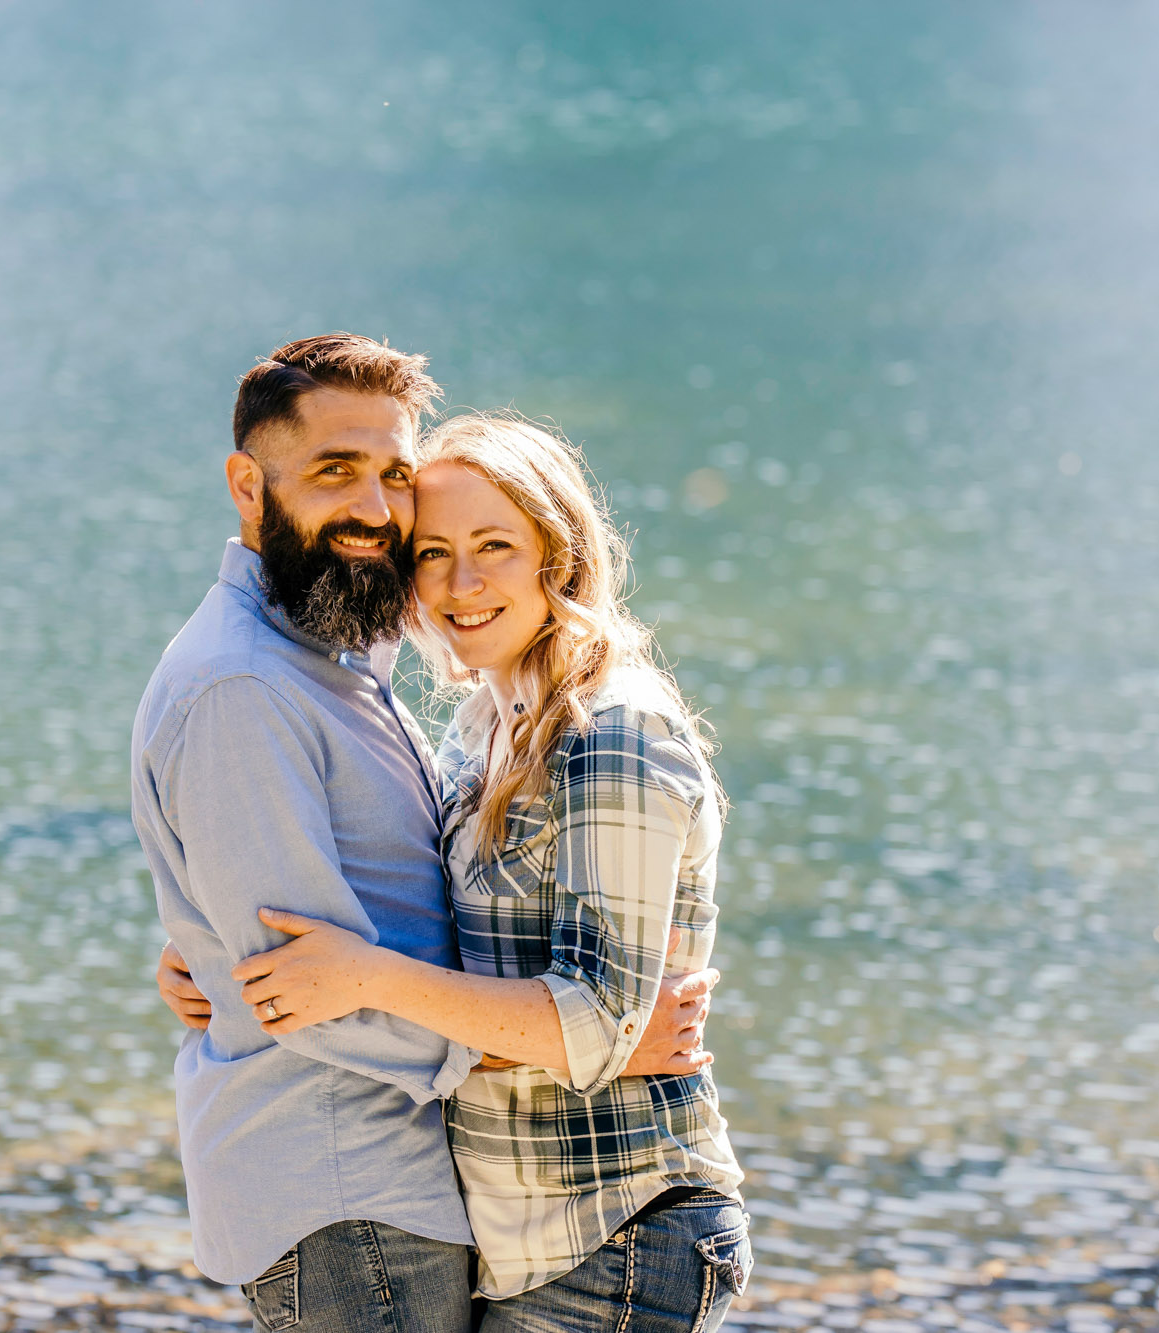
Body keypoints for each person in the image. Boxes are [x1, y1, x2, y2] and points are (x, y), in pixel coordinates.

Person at [132, 336, 713, 1333]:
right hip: (349, 1191)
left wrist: (587, 1033)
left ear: (554, 553)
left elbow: (362, 935)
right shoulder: (248, 685)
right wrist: (585, 1047)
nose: (371, 509)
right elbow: (304, 987)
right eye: (332, 471)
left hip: (514, 1212)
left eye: (391, 477)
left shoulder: (352, 664)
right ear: (247, 484)